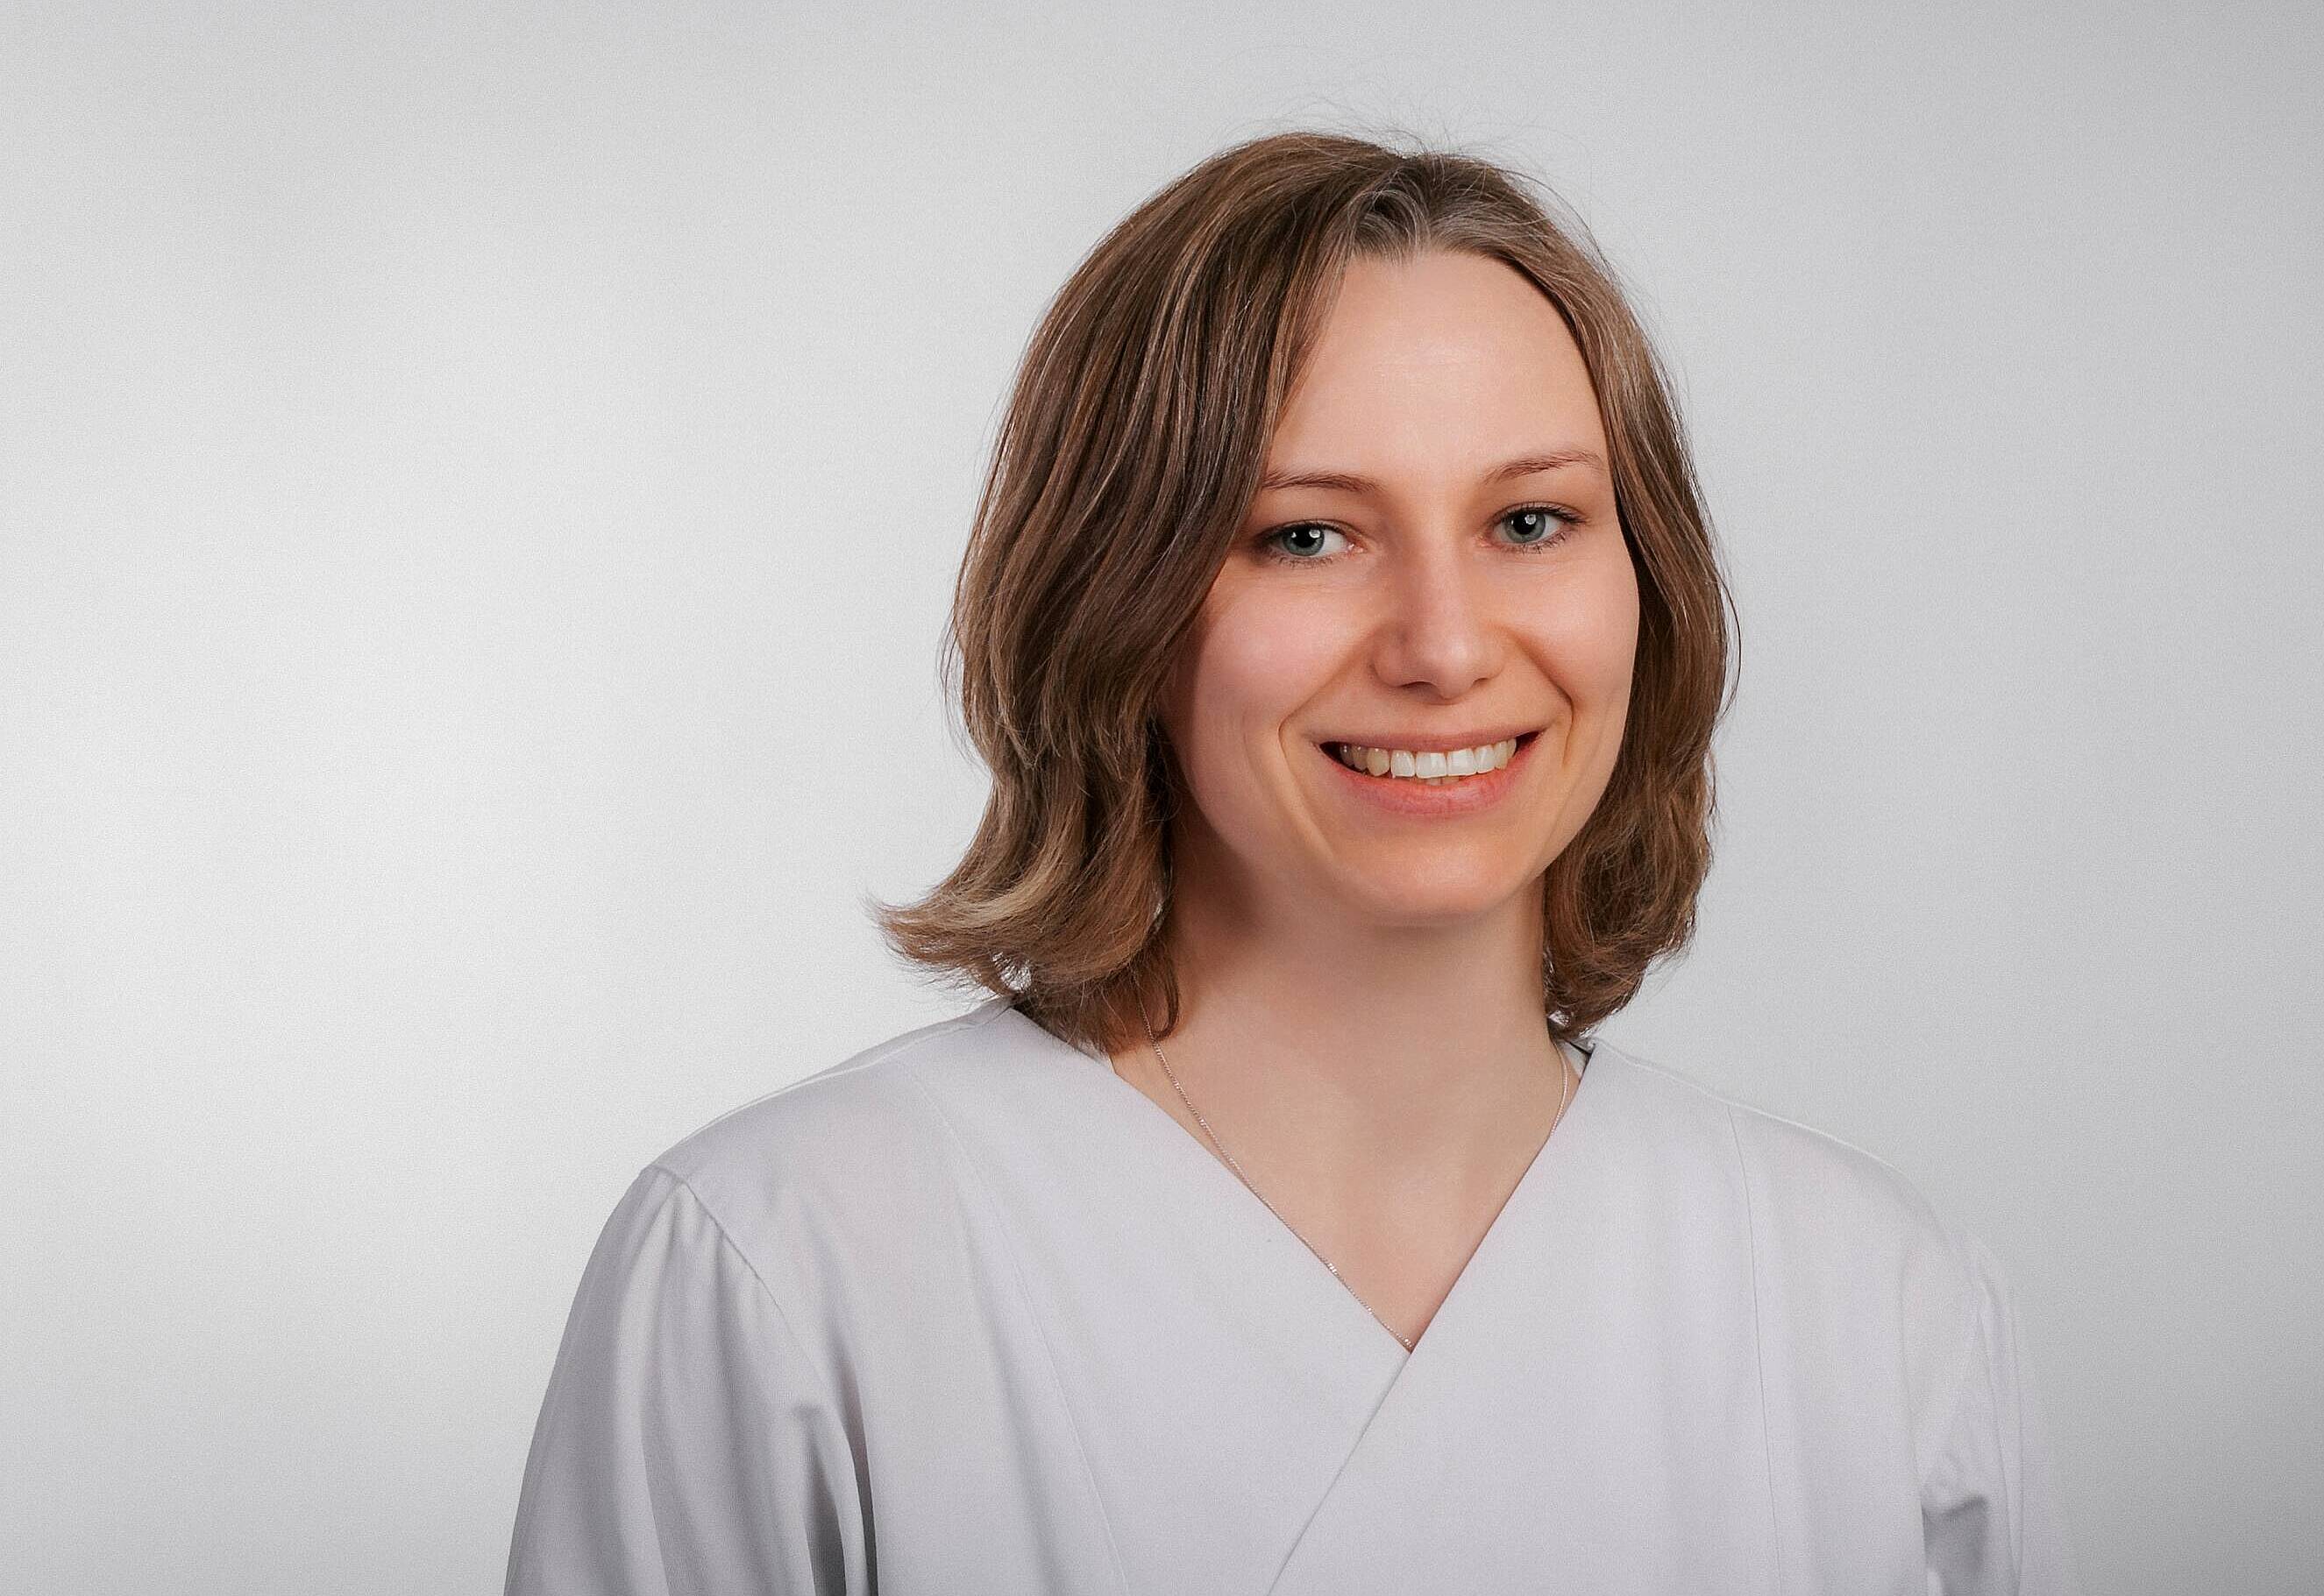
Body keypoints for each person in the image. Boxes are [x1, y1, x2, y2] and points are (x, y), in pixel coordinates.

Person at [505, 127, 2081, 1594]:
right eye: (1306, 536)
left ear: (1647, 584)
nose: (1445, 647)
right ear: (1114, 606)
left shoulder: (1882, 1312)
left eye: (1532, 523)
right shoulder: (785, 1272)